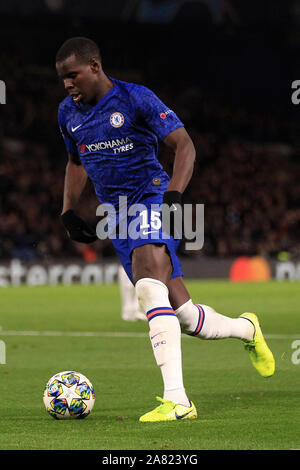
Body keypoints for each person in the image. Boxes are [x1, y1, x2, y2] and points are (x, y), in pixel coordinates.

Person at [56, 37, 275, 422]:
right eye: (62, 79)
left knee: (145, 284)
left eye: (72, 76)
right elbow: (76, 162)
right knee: (186, 315)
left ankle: (178, 401)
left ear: (94, 66)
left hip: (152, 197)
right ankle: (247, 328)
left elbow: (184, 145)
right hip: (117, 215)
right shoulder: (67, 114)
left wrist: (174, 195)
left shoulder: (135, 98)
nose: (68, 85)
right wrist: (68, 210)